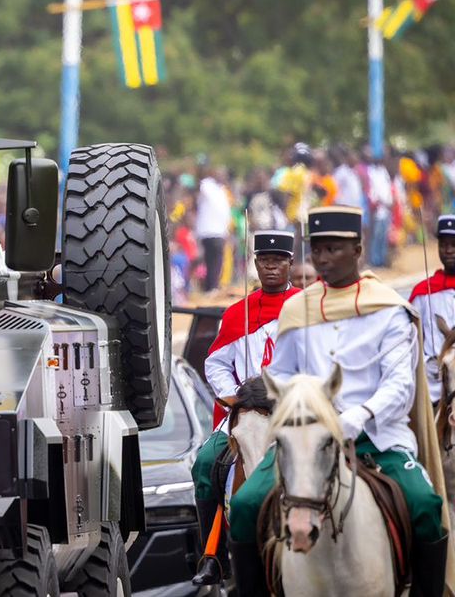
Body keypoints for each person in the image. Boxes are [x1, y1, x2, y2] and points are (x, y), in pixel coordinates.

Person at [228, 207, 448, 597]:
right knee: (245, 504)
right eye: (317, 249)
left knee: (426, 506)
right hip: (306, 439)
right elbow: (280, 375)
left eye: (333, 249)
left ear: (358, 250)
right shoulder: (297, 310)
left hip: (377, 438)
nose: (323, 258)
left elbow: (399, 386)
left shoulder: (389, 310)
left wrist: (356, 417)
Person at [189, 230, 298, 586]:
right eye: (264, 261)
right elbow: (215, 364)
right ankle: (214, 556)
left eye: (278, 261)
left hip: (292, 410)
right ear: (255, 264)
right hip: (247, 411)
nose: (271, 267)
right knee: (205, 463)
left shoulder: (306, 307)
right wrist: (235, 395)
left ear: (290, 263)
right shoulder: (238, 314)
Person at [412, 214, 455, 398]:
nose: (448, 250)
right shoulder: (423, 292)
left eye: (453, 245)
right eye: (443, 245)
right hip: (434, 386)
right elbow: (412, 339)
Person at [195, 165, 232, 292]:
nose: (223, 177)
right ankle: (211, 287)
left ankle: (213, 286)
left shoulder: (221, 190)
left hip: (220, 231)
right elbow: (200, 183)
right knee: (211, 259)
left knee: (217, 259)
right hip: (208, 230)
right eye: (220, 174)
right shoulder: (207, 185)